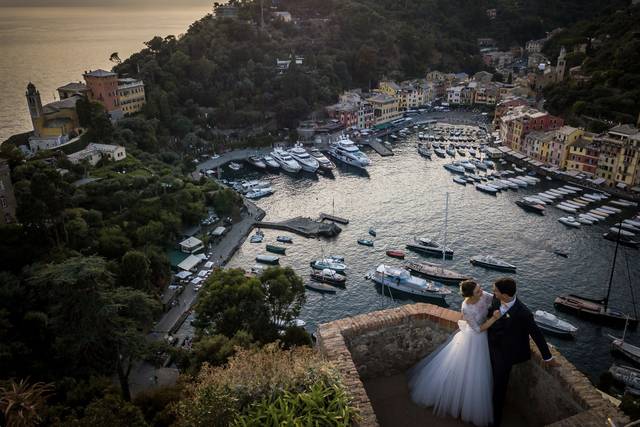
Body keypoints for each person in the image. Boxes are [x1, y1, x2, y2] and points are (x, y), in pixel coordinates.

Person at [409, 280, 500, 427]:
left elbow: (495, 299)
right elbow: (477, 329)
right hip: (475, 338)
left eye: (480, 288)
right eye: (478, 291)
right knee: (469, 372)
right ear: (470, 295)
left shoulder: (484, 296)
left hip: (482, 337)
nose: (482, 291)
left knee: (476, 373)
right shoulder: (466, 308)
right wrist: (495, 319)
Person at [487, 277, 557, 426]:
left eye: (496, 290)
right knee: (489, 379)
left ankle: (494, 421)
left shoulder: (523, 313)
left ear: (505, 295)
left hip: (506, 355)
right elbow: (489, 312)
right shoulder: (496, 298)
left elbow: (537, 334)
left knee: (500, 387)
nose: (493, 292)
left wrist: (547, 357)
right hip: (490, 346)